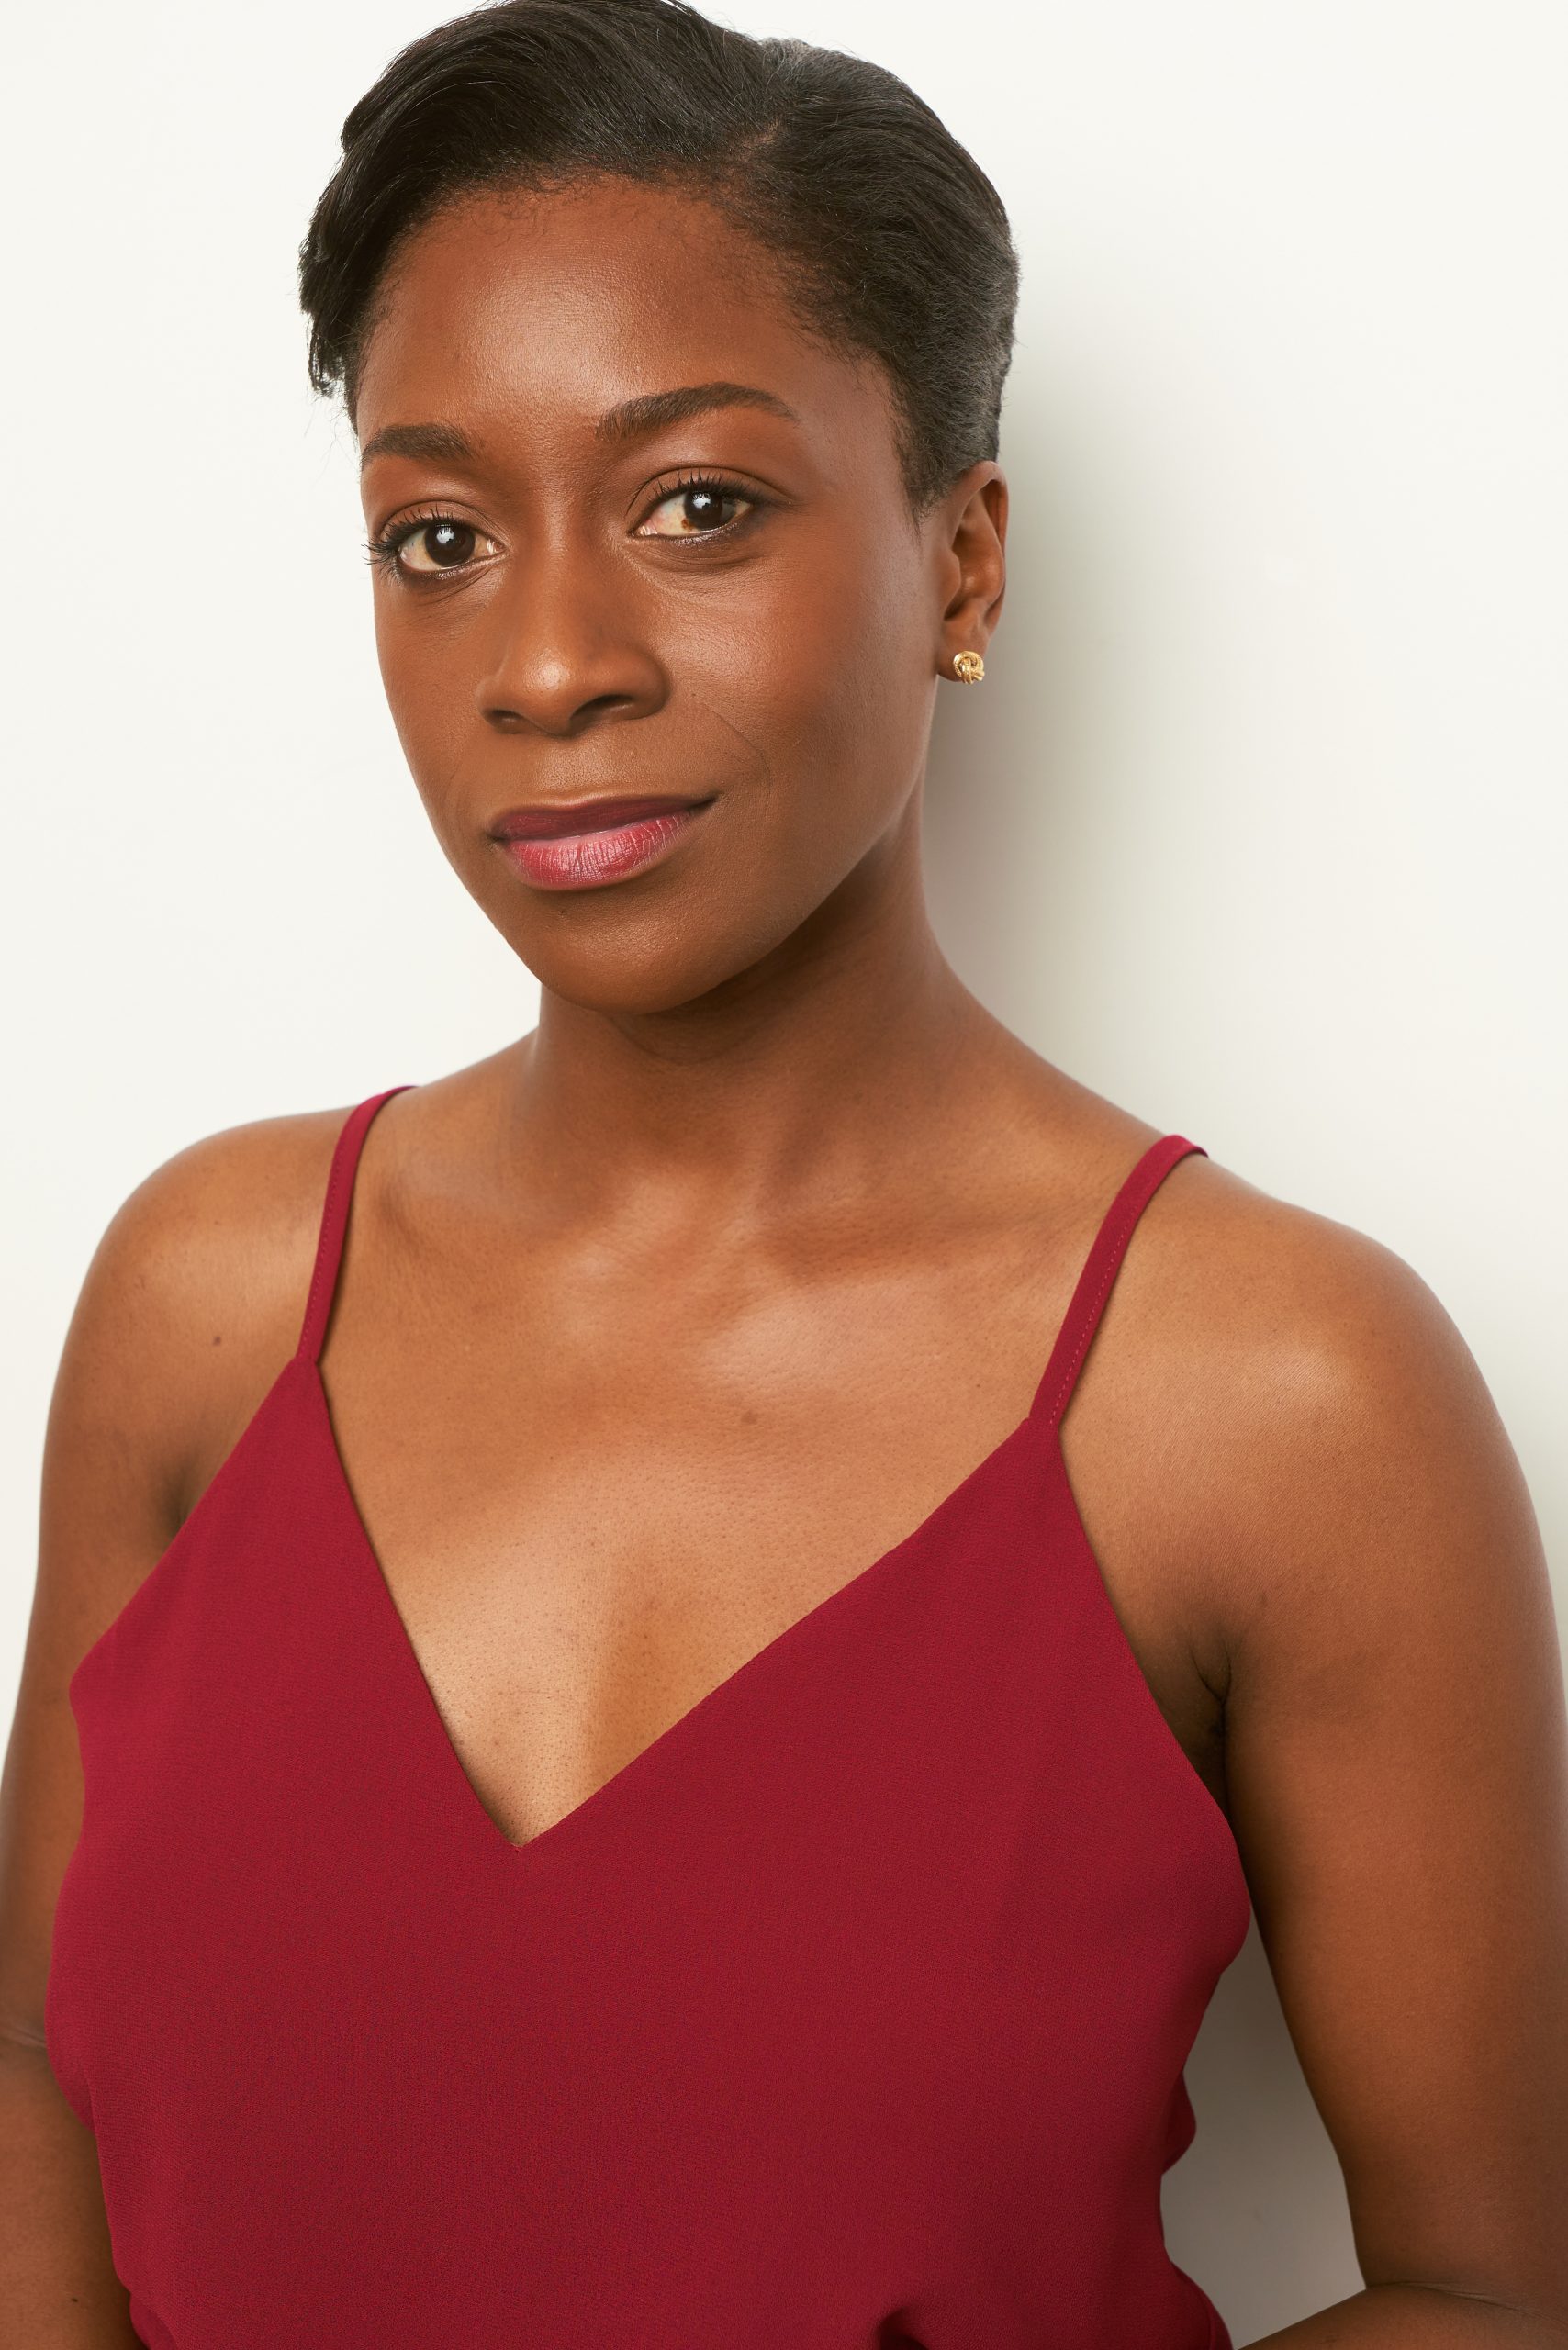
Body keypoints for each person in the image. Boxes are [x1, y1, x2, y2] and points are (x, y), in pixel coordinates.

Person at [4, 0, 1566, 2342]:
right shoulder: (212, 1295)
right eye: (437, 534)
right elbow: (40, 2084)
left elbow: (1486, 2285)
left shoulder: (1269, 1389)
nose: (545, 660)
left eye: (696, 505)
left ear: (960, 559)